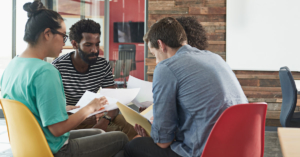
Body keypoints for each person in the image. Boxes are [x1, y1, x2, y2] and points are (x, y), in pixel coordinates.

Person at [0, 1, 128, 157]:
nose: (65, 42)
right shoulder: (46, 71)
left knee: (99, 131)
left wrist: (65, 108)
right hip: (55, 149)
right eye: (63, 36)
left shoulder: (12, 66)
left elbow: (33, 110)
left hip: (30, 146)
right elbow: (58, 129)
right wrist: (89, 107)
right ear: (47, 34)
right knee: (121, 139)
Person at [124, 17, 248, 157]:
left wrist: (154, 132)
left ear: (161, 44)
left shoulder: (166, 67)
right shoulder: (215, 58)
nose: (157, 61)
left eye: (154, 55)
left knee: (132, 146)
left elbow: (162, 142)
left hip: (206, 151)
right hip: (241, 148)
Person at [52, 19, 137, 140]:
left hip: (94, 117)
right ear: (75, 44)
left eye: (97, 44)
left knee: (128, 123)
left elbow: (113, 102)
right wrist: (83, 114)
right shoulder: (58, 67)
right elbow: (54, 111)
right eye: (88, 45)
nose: (95, 50)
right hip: (70, 121)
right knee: (117, 136)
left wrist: (104, 120)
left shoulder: (102, 65)